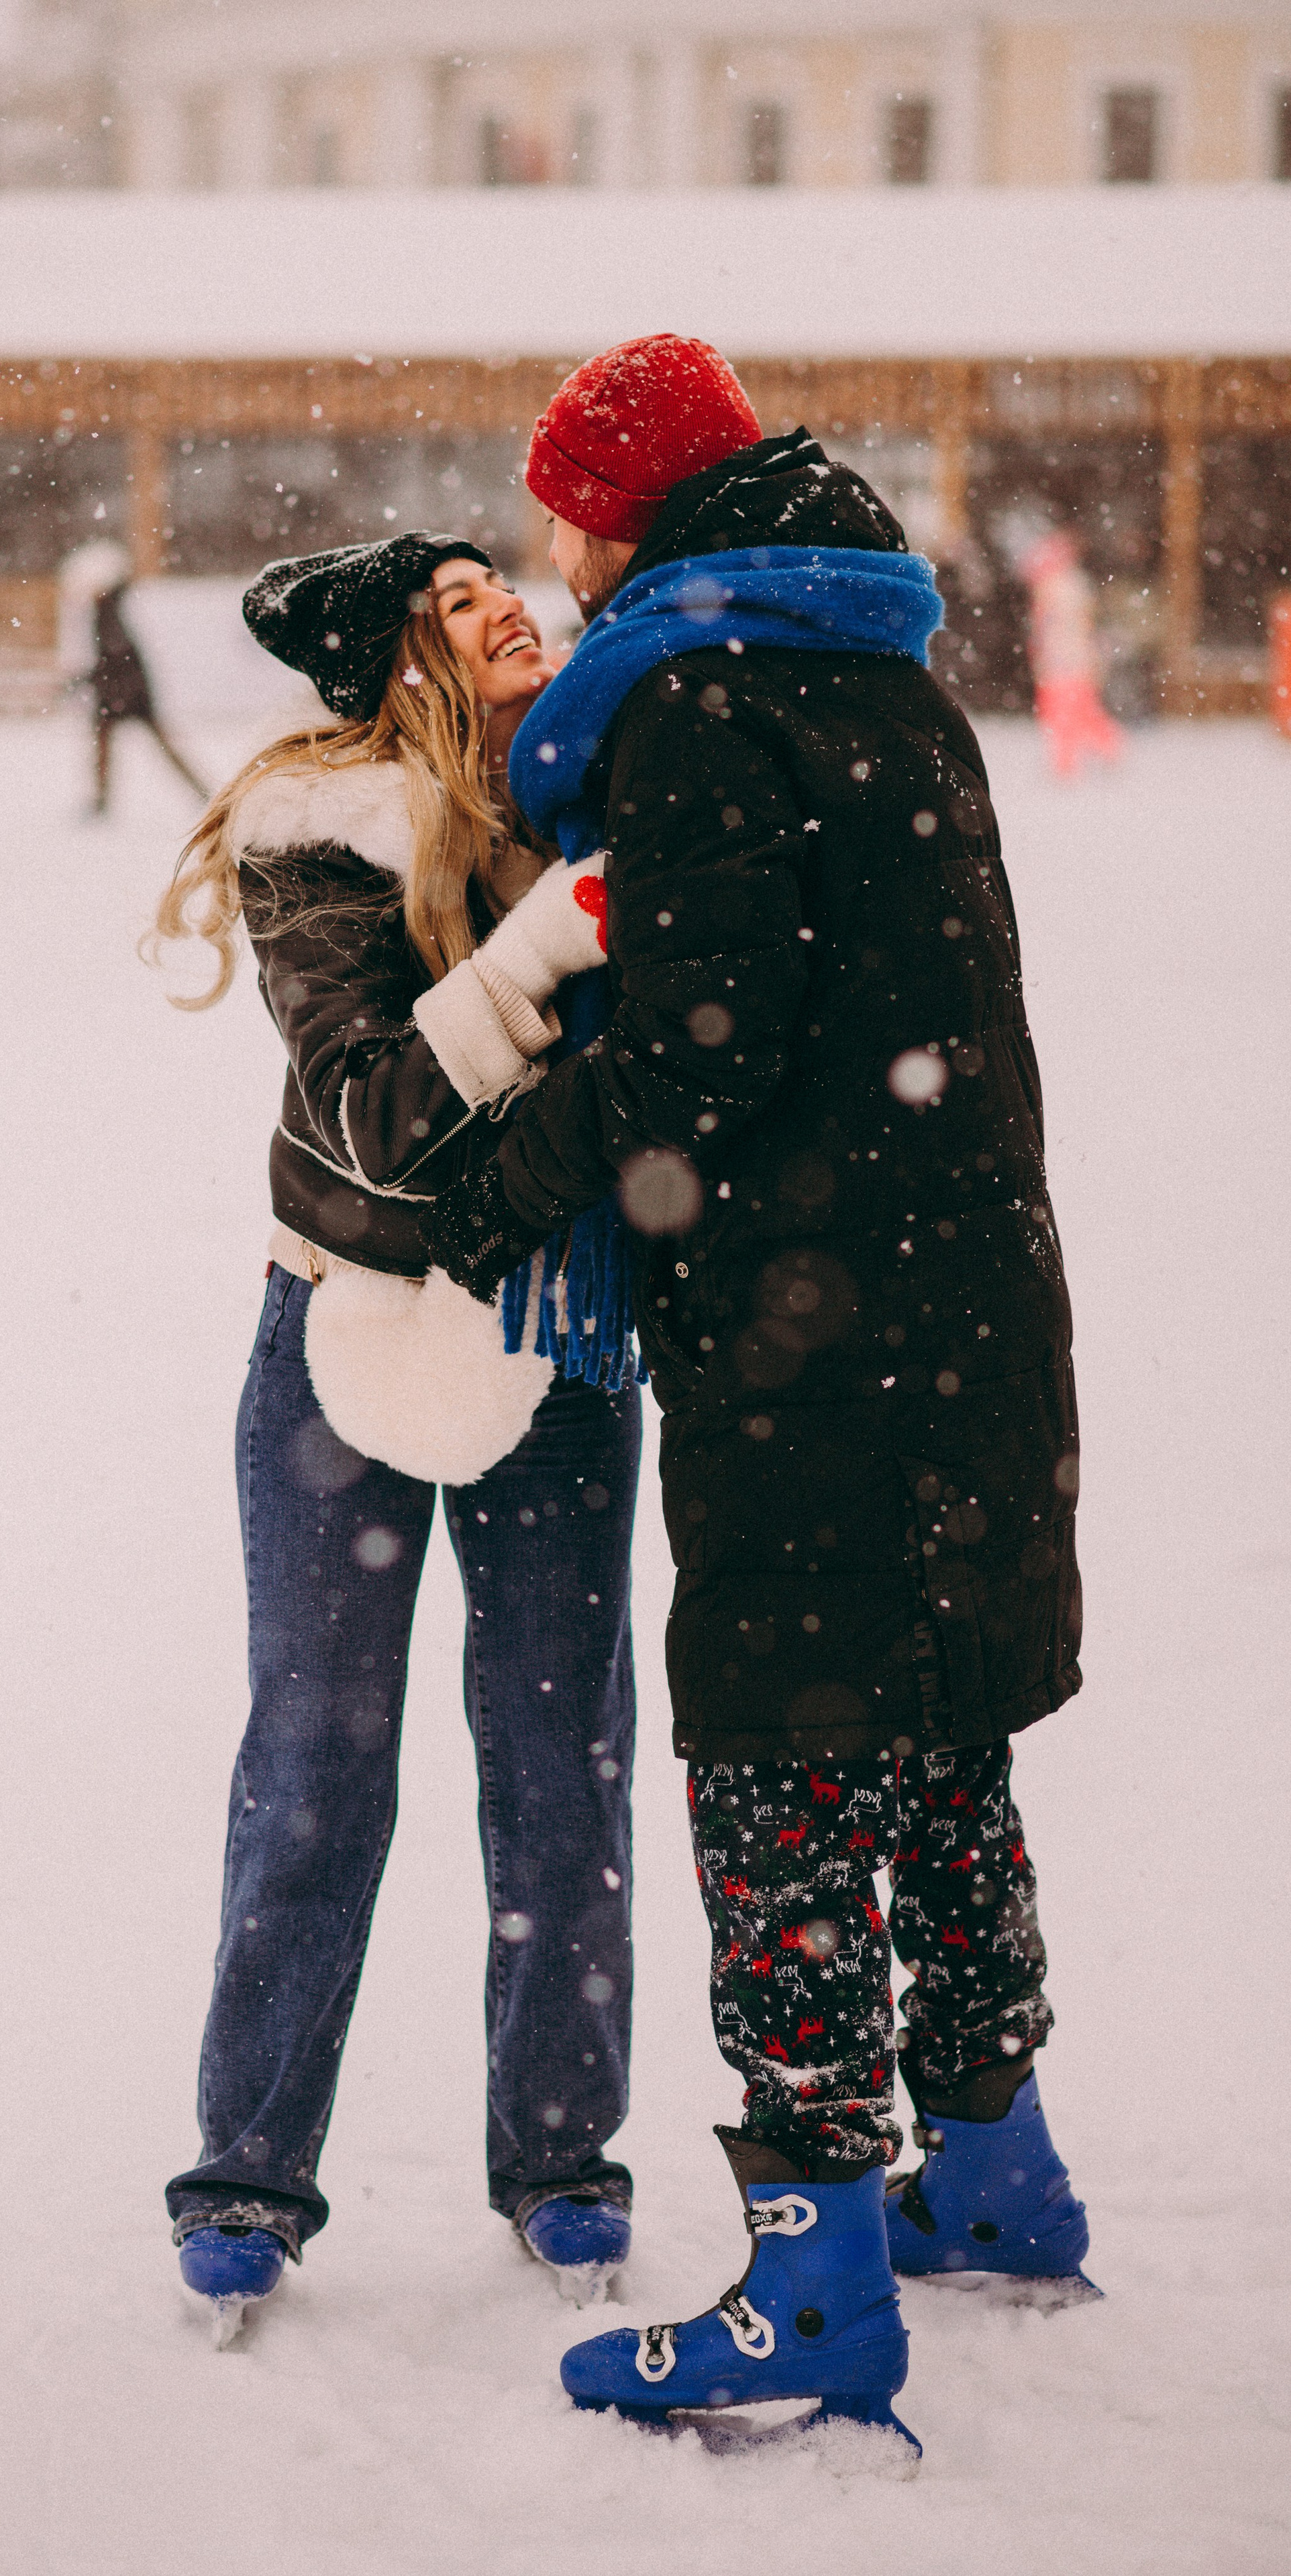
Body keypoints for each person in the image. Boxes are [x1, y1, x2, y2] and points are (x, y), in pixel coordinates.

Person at [424, 337, 1092, 2454]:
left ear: (617, 514)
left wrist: (495, 1181)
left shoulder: (699, 703)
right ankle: (990, 2164)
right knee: (934, 1727)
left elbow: (698, 1056)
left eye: (560, 508)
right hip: (965, 1295)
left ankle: (811, 2273)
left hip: (818, 1322)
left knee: (790, 1764)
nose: (548, 548)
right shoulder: (879, 675)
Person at [154, 532, 642, 2343]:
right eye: (456, 599)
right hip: (345, 1328)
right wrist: (547, 937)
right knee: (318, 1756)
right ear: (396, 664)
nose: (508, 599)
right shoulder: (324, 829)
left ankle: (565, 2156)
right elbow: (366, 1116)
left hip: (562, 1329)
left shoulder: (611, 786)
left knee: (561, 1756)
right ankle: (249, 2175)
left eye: (505, 575)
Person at [56, 539, 208, 814]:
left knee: (114, 747)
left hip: (124, 691)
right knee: (127, 747)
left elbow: (115, 655)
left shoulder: (107, 610)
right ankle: (200, 791)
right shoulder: (109, 607)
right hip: (123, 689)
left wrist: (83, 681)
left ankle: (201, 792)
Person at [1019, 528, 1125, 776]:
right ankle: (1104, 753)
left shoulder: (1062, 586)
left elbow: (1068, 627)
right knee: (1077, 711)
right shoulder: (1065, 585)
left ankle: (1071, 762)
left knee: (1066, 713)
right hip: (1067, 661)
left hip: (1066, 662)